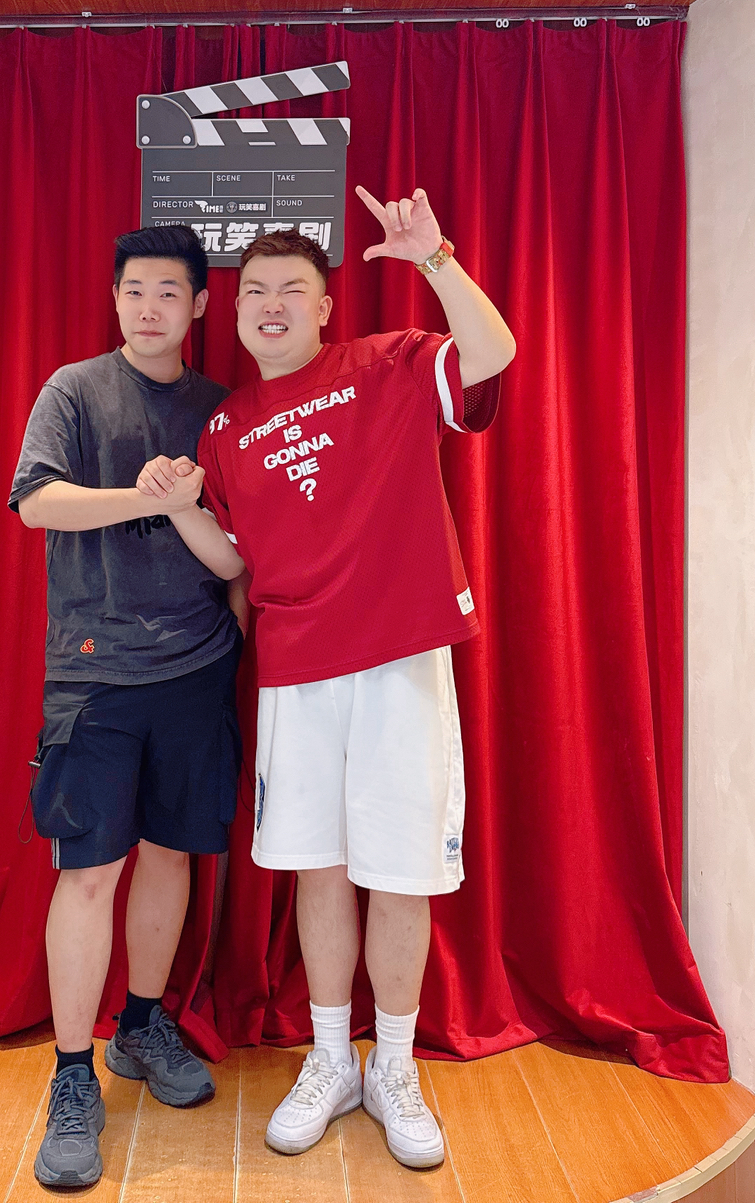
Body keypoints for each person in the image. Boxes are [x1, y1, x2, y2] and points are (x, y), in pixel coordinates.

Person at [135, 187, 515, 1171]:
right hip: (297, 674)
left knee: (401, 869)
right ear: (236, 309)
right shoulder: (227, 426)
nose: (271, 304)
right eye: (255, 289)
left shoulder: (388, 362)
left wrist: (434, 259)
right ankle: (333, 1057)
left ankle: (395, 1065)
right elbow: (233, 559)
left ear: (323, 306)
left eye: (291, 289)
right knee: (319, 867)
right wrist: (179, 507)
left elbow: (492, 353)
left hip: (399, 658)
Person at [9, 225, 243, 1191]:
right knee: (88, 872)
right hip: (94, 673)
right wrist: (142, 494)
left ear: (198, 306)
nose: (149, 307)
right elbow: (36, 503)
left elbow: (239, 552)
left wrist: (187, 504)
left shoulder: (222, 409)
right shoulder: (72, 389)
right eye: (134, 290)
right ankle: (72, 1076)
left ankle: (141, 1026)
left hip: (197, 668)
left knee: (171, 854)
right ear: (114, 298)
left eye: (168, 292)